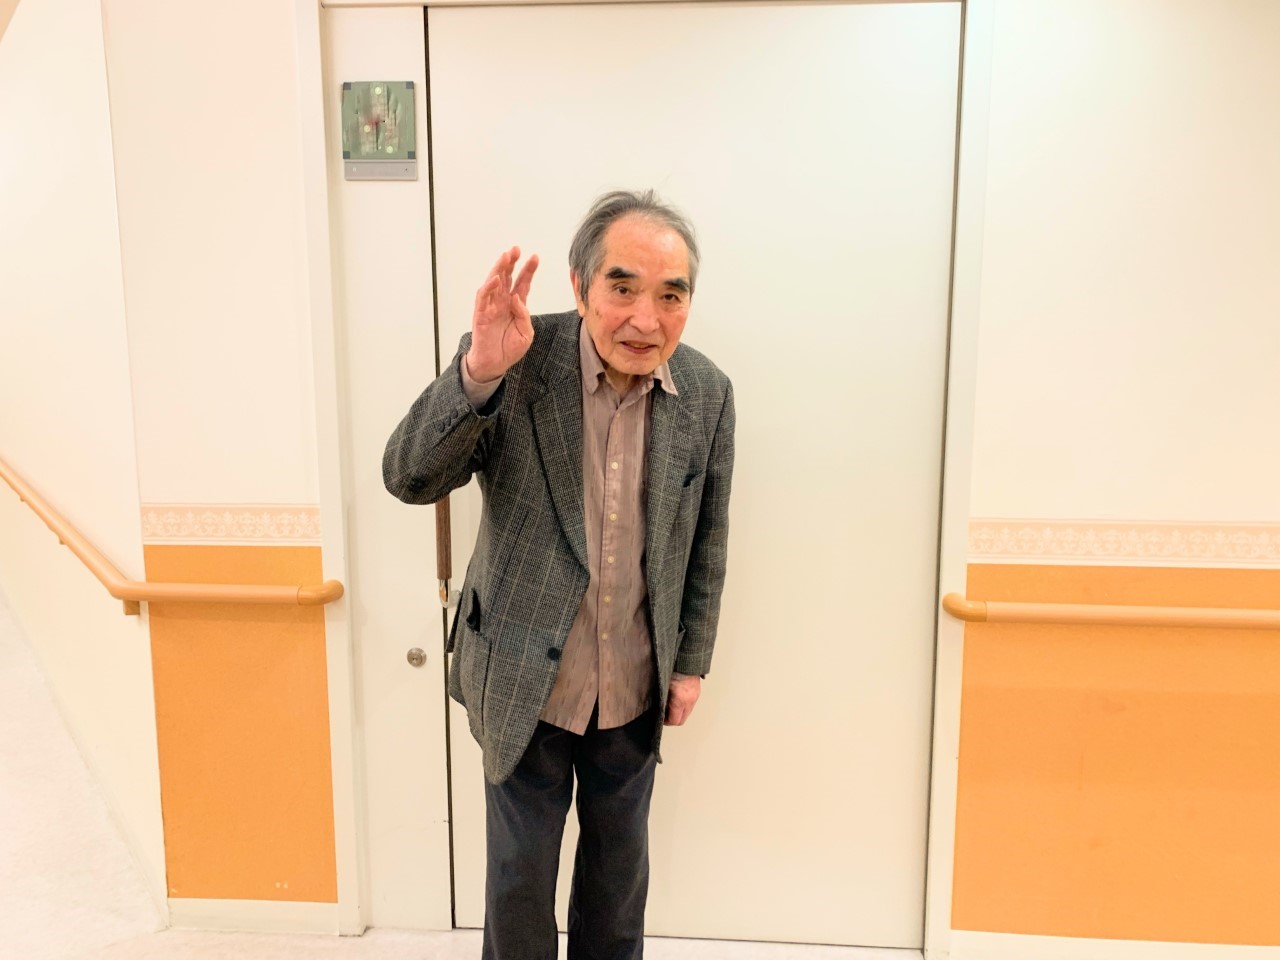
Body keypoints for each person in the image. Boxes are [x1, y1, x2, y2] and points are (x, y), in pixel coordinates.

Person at [384, 189, 735, 960]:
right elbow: (409, 477)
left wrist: (691, 662)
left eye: (670, 296)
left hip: (634, 686)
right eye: (622, 288)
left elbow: (706, 539)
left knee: (617, 886)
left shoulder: (707, 393)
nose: (646, 320)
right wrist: (477, 374)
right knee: (519, 885)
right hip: (523, 679)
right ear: (579, 288)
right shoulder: (516, 360)